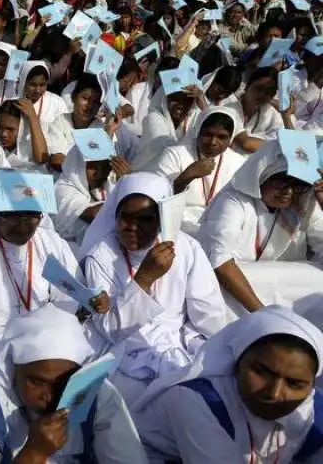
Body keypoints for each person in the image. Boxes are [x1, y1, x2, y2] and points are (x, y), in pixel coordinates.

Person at [79, 172, 228, 405]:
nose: (132, 227)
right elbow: (109, 329)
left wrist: (217, 348)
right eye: (125, 218)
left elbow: (208, 312)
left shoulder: (186, 247)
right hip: (126, 354)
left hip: (181, 343)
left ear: (161, 219)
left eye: (145, 219)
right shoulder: (101, 255)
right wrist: (144, 279)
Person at [0, 304, 149, 463]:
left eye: (65, 382)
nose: (50, 397)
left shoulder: (96, 392)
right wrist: (34, 454)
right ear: (14, 368)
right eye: (37, 382)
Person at [133, 306, 323, 463]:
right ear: (237, 361)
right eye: (261, 372)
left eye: (295, 383)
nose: (274, 394)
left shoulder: (314, 409)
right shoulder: (197, 401)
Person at [0, 169, 79, 382]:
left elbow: (67, 299)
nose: (23, 225)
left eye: (31, 216)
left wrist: (45, 340)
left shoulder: (50, 242)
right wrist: (27, 352)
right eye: (11, 216)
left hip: (45, 338)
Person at [197, 139, 323, 325]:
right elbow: (220, 264)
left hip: (279, 294)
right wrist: (264, 316)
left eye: (297, 183)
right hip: (233, 294)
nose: (288, 191)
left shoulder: (302, 200)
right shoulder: (233, 201)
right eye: (281, 181)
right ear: (262, 175)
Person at [154, 106, 246, 235]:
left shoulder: (239, 163)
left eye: (221, 137)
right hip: (178, 226)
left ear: (230, 139)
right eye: (207, 134)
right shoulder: (175, 154)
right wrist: (187, 176)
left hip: (219, 227)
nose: (213, 142)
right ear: (198, 132)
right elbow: (157, 198)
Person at [53, 142, 130, 247]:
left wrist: (129, 181)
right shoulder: (63, 189)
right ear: (78, 164)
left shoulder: (100, 186)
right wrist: (125, 186)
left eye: (104, 167)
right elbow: (94, 215)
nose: (98, 174)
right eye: (92, 167)